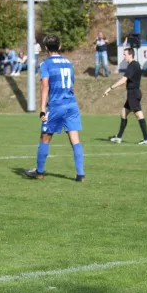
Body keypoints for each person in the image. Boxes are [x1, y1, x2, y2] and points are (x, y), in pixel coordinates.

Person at [23, 34, 85, 182]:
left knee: (45, 138)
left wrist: (43, 108)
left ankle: (39, 172)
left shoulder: (45, 64)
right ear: (60, 46)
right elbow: (72, 85)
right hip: (71, 104)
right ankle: (80, 174)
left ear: (46, 48)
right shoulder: (69, 63)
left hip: (56, 105)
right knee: (75, 138)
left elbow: (45, 86)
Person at [104, 47, 147, 145]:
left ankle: (146, 139)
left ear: (130, 54)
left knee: (138, 115)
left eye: (125, 54)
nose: (124, 56)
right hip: (133, 93)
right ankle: (119, 137)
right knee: (123, 113)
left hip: (133, 93)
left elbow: (123, 80)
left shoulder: (132, 65)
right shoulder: (134, 64)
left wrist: (110, 88)